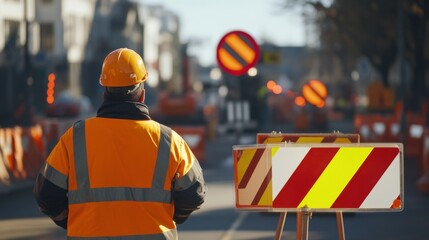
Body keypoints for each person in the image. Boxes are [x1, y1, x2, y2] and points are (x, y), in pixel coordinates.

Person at [33, 48, 206, 239]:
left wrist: (72, 220)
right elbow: (194, 193)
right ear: (142, 93)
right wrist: (170, 216)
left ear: (105, 91)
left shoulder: (75, 137)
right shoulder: (169, 139)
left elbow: (46, 195)